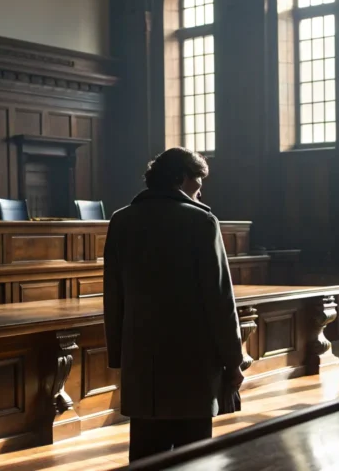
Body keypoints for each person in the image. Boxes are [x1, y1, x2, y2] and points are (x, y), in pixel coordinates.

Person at [103, 147, 244, 463]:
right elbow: (220, 300)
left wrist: (119, 355)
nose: (200, 190)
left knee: (144, 457)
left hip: (142, 362)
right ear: (180, 178)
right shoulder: (202, 221)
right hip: (191, 363)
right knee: (193, 459)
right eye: (198, 181)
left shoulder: (121, 221)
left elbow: (113, 296)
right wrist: (233, 360)